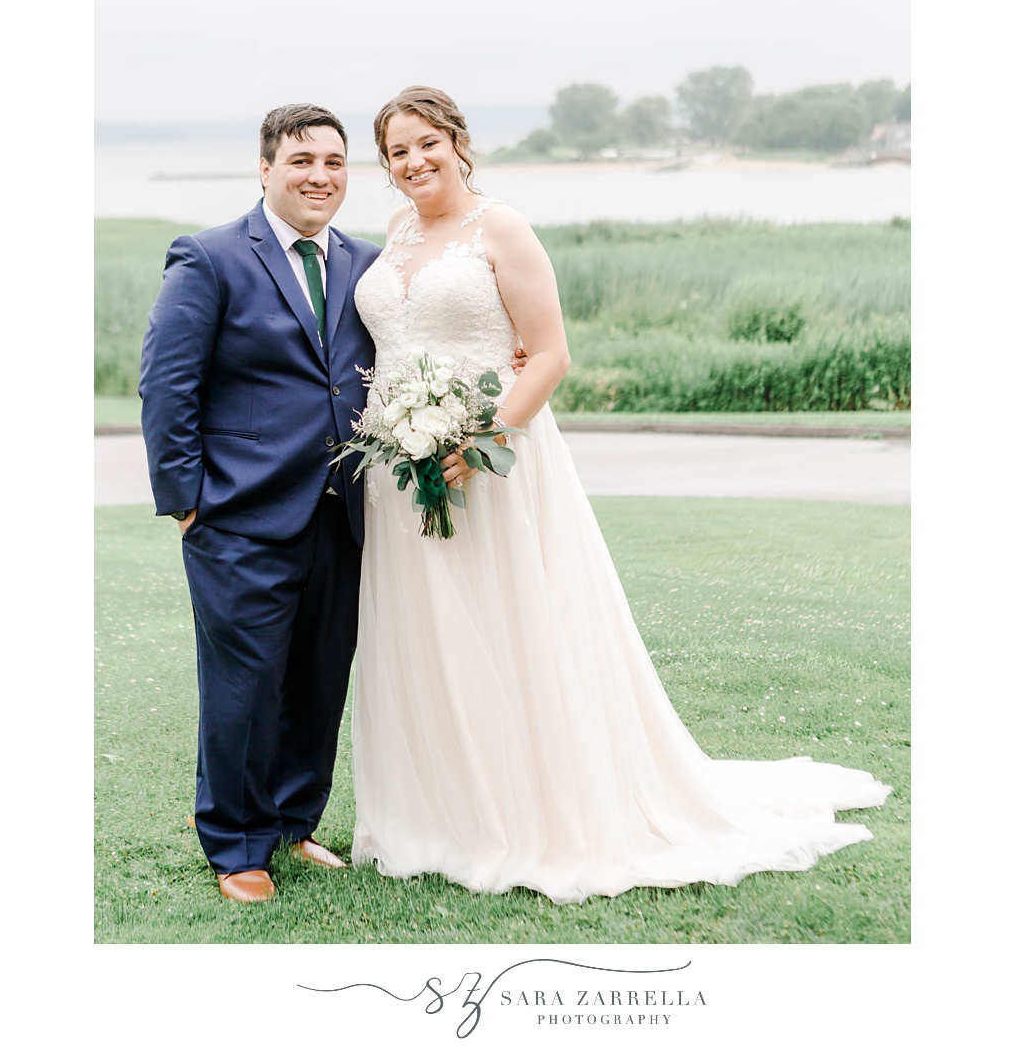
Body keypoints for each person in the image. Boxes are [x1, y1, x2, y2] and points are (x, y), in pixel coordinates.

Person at [350, 86, 892, 904]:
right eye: (397, 151)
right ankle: (442, 812)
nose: (414, 161)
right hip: (403, 473)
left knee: (511, 627)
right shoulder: (394, 234)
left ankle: (534, 812)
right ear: (385, 166)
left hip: (492, 464)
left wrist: (480, 441)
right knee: (429, 634)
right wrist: (407, 433)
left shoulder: (499, 226)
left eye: (427, 142)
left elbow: (550, 353)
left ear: (458, 141)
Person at [139, 103, 380, 902]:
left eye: (335, 162)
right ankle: (237, 846)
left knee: (318, 679)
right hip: (237, 514)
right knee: (243, 685)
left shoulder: (366, 261)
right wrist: (185, 499)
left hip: (341, 513)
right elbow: (167, 384)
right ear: (266, 167)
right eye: (303, 160)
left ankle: (292, 822)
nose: (320, 176)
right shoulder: (207, 257)